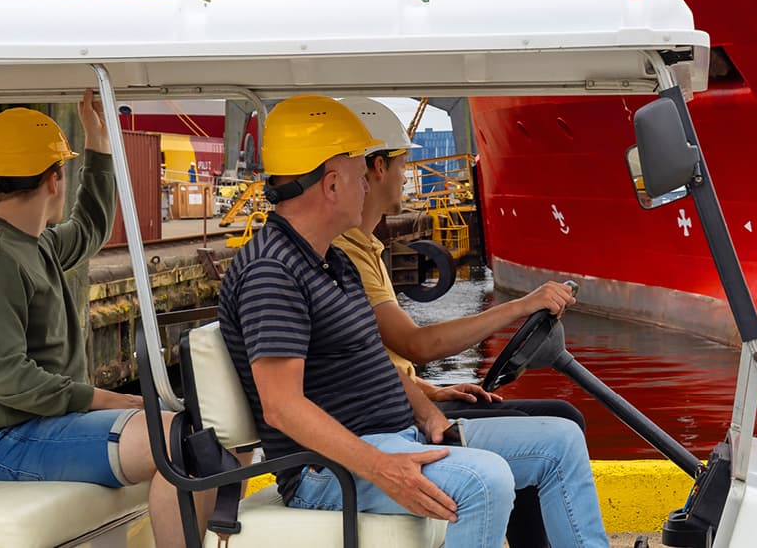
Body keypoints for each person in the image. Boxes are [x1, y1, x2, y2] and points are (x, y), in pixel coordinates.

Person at [217, 95, 609, 548]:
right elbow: (281, 406)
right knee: (484, 481)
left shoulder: (331, 262)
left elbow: (371, 359)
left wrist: (427, 411)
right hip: (325, 470)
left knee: (560, 440)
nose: (367, 184)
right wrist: (383, 468)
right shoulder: (272, 272)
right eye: (359, 171)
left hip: (392, 435)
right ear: (331, 185)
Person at [0, 97, 211, 548]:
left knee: (188, 431)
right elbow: (6, 378)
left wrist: (99, 144)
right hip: (12, 439)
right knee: (176, 444)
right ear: (54, 178)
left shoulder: (33, 244)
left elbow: (89, 230)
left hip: (48, 427)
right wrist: (107, 398)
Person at [335, 97, 586, 548]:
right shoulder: (346, 251)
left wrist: (432, 391)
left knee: (558, 420)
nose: (406, 174)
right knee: (556, 422)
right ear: (374, 168)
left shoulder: (364, 247)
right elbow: (414, 345)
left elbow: (376, 358)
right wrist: (519, 306)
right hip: (384, 423)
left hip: (402, 401)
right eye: (401, 163)